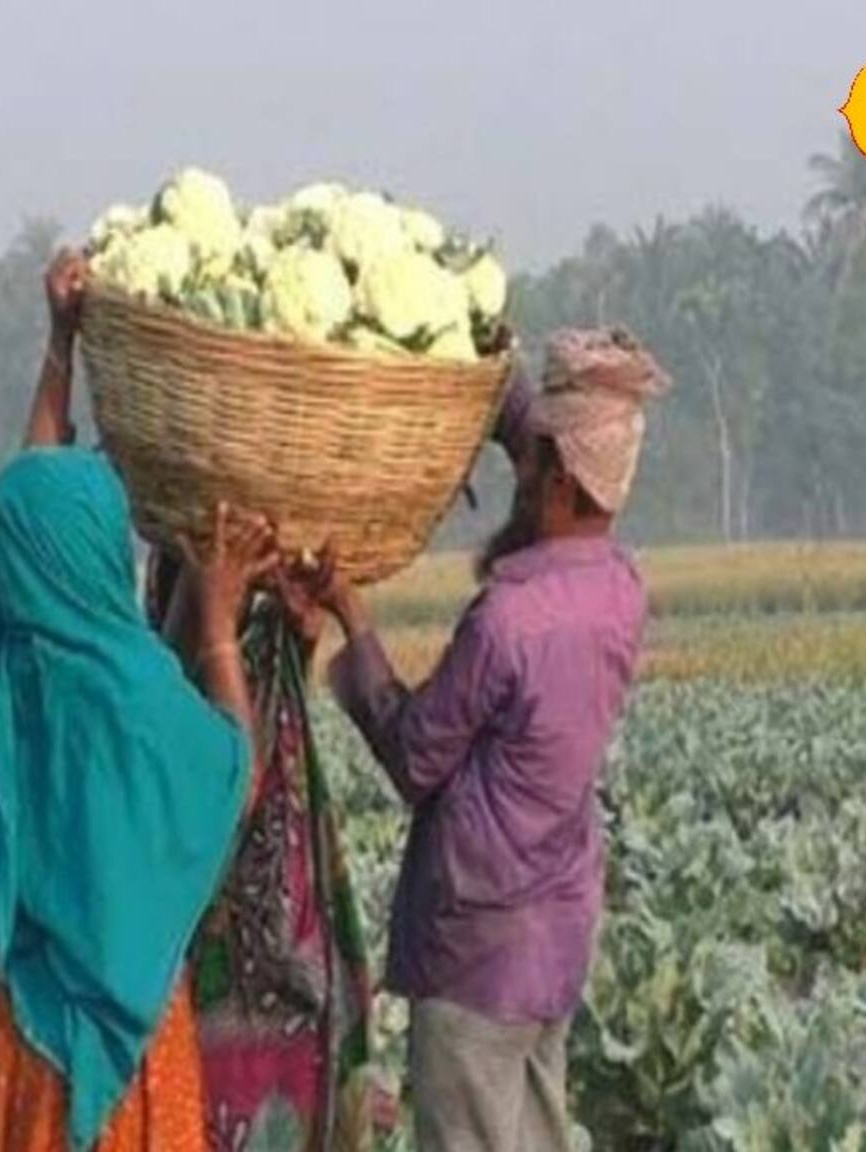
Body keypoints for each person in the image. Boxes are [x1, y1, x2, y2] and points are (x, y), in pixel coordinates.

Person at [0, 247, 281, 1152]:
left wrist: (61, 343)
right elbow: (230, 780)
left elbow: (33, 500)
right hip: (123, 1045)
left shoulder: (3, 665)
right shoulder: (131, 684)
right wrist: (217, 626)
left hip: (19, 1020)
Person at [296, 328, 670, 1152]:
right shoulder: (619, 588)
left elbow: (415, 755)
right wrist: (499, 385)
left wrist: (352, 620)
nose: (522, 478)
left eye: (534, 465)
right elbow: (546, 464)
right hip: (556, 931)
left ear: (560, 479)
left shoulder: (509, 620)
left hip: (480, 944)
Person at [144, 549, 378, 1152]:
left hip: (281, 971)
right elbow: (229, 785)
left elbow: (262, 738)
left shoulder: (239, 657)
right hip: (215, 976)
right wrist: (217, 626)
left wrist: (294, 637)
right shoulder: (162, 682)